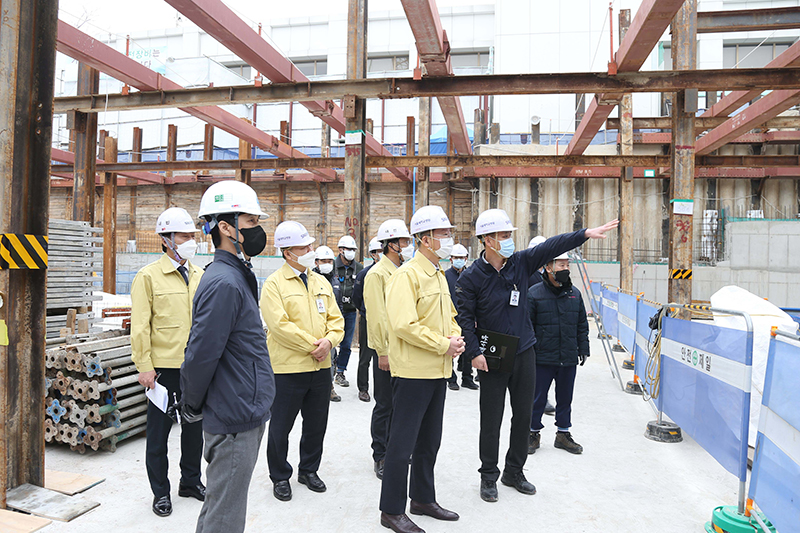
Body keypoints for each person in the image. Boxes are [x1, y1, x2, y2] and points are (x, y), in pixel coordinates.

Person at [454, 209, 617, 503]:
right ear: (487, 240)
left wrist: (583, 235)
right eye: (504, 236)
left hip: (525, 349)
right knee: (491, 419)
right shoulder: (471, 278)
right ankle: (488, 475)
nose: (509, 241)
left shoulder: (521, 263)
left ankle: (514, 471)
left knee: (524, 415)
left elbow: (550, 246)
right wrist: (475, 353)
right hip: (492, 354)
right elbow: (465, 318)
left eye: (509, 236)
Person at [180, 181, 276, 533]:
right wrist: (191, 402)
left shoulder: (235, 273)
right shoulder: (225, 282)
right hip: (235, 412)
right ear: (225, 226)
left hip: (241, 403)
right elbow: (201, 354)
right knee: (225, 517)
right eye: (250, 222)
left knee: (221, 504)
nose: (257, 230)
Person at [379, 206, 464, 533]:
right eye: (443, 234)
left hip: (438, 371)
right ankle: (391, 510)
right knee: (402, 445)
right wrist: (444, 344)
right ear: (425, 239)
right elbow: (403, 325)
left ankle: (422, 499)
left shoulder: (438, 275)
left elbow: (450, 317)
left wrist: (455, 337)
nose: (448, 239)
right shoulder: (407, 276)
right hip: (414, 373)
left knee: (429, 441)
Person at [261, 221, 345, 502]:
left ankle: (308, 470)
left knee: (316, 424)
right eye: (304, 247)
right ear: (287, 252)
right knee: (281, 427)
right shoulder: (274, 285)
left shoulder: (320, 281)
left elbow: (337, 320)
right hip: (287, 369)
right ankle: (280, 476)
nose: (311, 250)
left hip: (320, 369)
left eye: (310, 245)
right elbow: (279, 326)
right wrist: (315, 346)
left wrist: (329, 342)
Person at [131, 207, 205, 518]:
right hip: (163, 369)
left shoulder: (201, 274)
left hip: (197, 369)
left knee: (194, 431)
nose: (191, 241)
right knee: (159, 434)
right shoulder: (148, 277)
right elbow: (140, 326)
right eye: (185, 236)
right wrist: (144, 366)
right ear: (166, 239)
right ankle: (160, 492)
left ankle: (190, 481)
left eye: (193, 235)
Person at [363, 220, 414, 480]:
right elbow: (377, 317)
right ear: (391, 245)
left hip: (406, 350)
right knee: (384, 404)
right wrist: (382, 352)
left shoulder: (404, 271)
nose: (408, 246)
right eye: (404, 242)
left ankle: (398, 449)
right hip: (387, 351)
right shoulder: (376, 274)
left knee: (402, 404)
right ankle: (380, 455)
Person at [528, 252, 589, 455]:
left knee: (565, 398)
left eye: (567, 265)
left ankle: (563, 434)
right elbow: (527, 327)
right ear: (548, 268)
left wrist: (583, 348)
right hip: (542, 358)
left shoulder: (575, 294)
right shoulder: (534, 294)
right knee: (537, 398)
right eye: (561, 265)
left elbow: (582, 324)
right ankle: (532, 433)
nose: (565, 269)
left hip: (568, 357)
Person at [351, 237, 383, 402]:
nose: (381, 254)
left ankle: (382, 387)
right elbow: (356, 297)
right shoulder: (364, 273)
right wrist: (365, 310)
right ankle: (363, 388)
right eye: (379, 252)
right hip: (368, 319)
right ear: (372, 254)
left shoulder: (396, 273)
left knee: (383, 355)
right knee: (365, 356)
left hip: (387, 321)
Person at [527, 235, 555, 417]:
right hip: (532, 325)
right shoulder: (529, 275)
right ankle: (538, 399)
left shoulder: (546, 275)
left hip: (545, 327)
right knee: (536, 367)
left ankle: (540, 397)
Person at [445, 243, 477, 392]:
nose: (459, 260)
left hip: (467, 316)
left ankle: (467, 378)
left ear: (466, 259)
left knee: (468, 347)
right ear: (451, 259)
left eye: (461, 258)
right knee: (450, 347)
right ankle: (451, 378)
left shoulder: (470, 275)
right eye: (456, 258)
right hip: (451, 317)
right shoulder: (445, 276)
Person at [333, 235, 364, 387]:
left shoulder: (358, 268)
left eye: (353, 249)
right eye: (348, 249)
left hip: (350, 311)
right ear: (340, 250)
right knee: (331, 341)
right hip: (333, 312)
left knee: (346, 344)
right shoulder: (332, 265)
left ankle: (340, 371)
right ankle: (330, 370)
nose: (351, 252)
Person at [314, 245, 343, 403]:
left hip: (331, 327)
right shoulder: (311, 278)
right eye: (323, 261)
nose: (327, 263)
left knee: (331, 357)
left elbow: (339, 304)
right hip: (316, 326)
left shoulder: (335, 279)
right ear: (316, 262)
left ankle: (329, 386)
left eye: (329, 261)